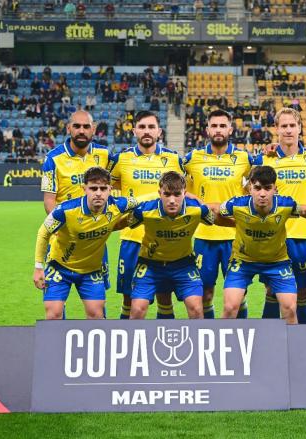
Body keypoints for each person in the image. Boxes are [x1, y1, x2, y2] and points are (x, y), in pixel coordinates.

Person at [217, 166, 306, 324]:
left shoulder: (286, 204)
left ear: (275, 189)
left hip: (277, 262)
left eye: (267, 188)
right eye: (257, 188)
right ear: (250, 187)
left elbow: (305, 211)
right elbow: (215, 210)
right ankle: (220, 346)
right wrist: (233, 224)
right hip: (243, 262)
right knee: (230, 308)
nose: (262, 194)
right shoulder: (235, 205)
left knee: (290, 308)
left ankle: (293, 347)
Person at [32, 167, 137, 319]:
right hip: (59, 267)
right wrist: (38, 267)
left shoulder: (119, 205)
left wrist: (132, 219)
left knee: (96, 315)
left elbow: (142, 202)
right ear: (84, 189)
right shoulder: (65, 210)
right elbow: (43, 232)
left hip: (91, 270)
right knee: (53, 315)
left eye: (103, 188)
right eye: (93, 188)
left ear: (110, 189)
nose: (98, 193)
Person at [110, 110, 183, 320]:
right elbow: (110, 184)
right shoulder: (122, 159)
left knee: (164, 296)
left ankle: (167, 346)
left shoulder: (172, 159)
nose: (147, 131)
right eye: (142, 127)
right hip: (132, 238)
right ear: (134, 131)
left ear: (159, 131)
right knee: (128, 298)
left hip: (164, 238)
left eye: (151, 127)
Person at [183, 109, 256, 319]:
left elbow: (262, 177)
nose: (218, 130)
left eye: (222, 126)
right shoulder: (193, 158)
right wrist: (191, 196)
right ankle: (210, 336)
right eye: (214, 126)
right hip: (204, 237)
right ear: (207, 130)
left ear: (230, 129)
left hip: (235, 237)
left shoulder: (244, 158)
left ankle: (240, 335)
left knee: (238, 296)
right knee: (205, 295)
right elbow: (174, 181)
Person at [259, 108, 306, 324]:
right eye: (283, 126)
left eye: (292, 125)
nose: (288, 130)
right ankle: (267, 340)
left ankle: (303, 342)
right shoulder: (265, 160)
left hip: (302, 238)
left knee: (302, 293)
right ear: (276, 130)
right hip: (272, 237)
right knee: (271, 291)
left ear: (300, 128)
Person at [128, 172, 218, 319]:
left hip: (184, 265)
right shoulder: (144, 211)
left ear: (185, 193)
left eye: (177, 194)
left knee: (196, 308)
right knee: (137, 310)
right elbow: (125, 223)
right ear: (159, 193)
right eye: (167, 194)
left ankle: (200, 341)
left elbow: (213, 220)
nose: (171, 200)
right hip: (150, 265)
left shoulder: (198, 209)